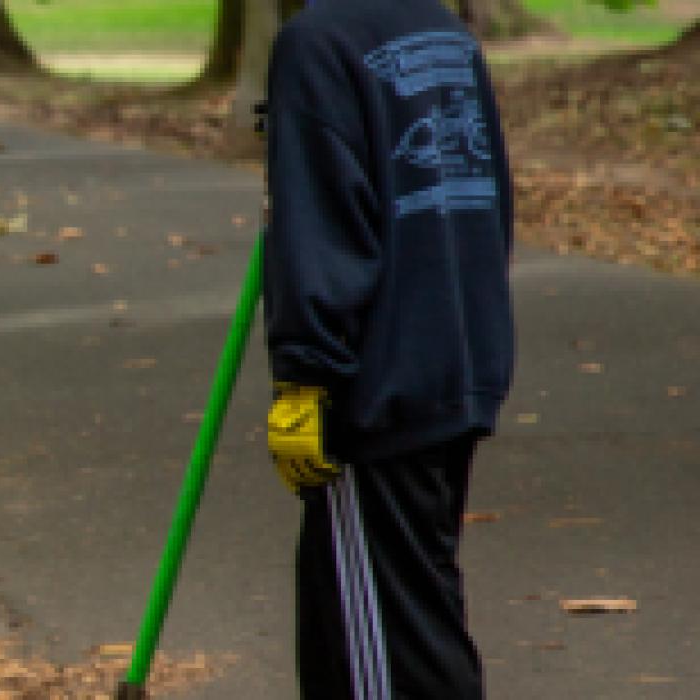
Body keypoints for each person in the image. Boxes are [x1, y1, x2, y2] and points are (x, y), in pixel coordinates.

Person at [261, 1, 514, 697]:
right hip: (455, 356)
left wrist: (306, 373)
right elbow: (493, 208)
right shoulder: (442, 31)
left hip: (373, 385)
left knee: (383, 655)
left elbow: (320, 226)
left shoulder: (316, 44)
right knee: (404, 615)